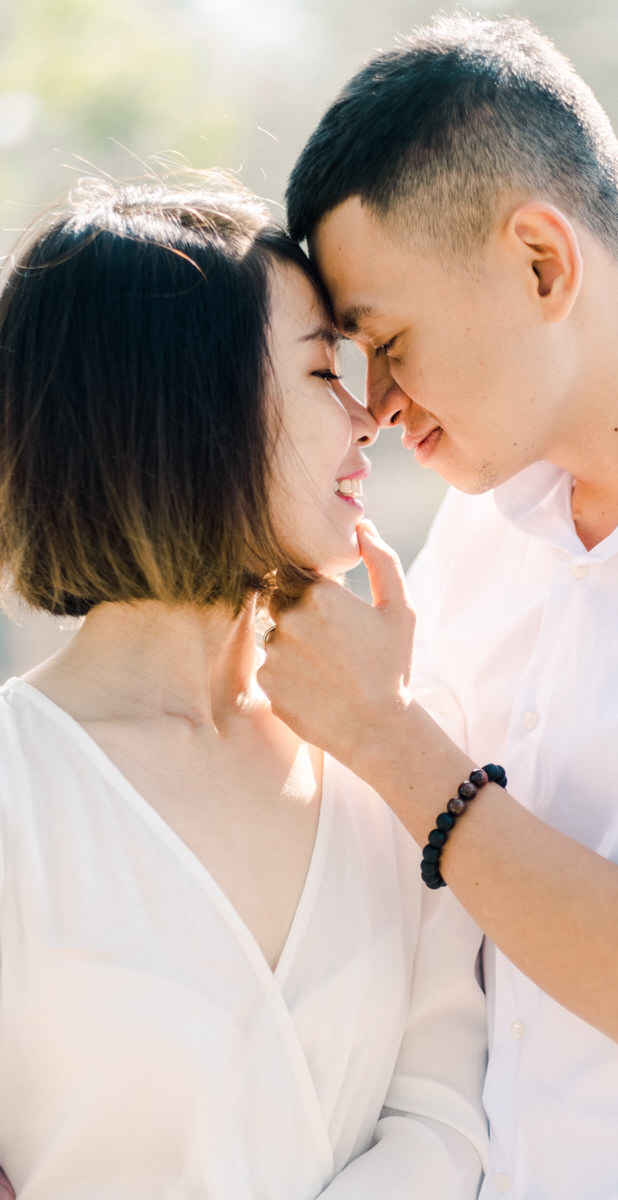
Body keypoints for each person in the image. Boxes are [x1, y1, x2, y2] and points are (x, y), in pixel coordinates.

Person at [259, 13, 618, 1199]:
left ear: (540, 263)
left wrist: (386, 737)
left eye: (390, 342)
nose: (382, 405)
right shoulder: (478, 528)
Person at [0, 173, 488, 1198]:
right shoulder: (17, 787)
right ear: (184, 411)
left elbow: (441, 1119)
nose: (371, 418)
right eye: (322, 374)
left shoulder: (397, 754)